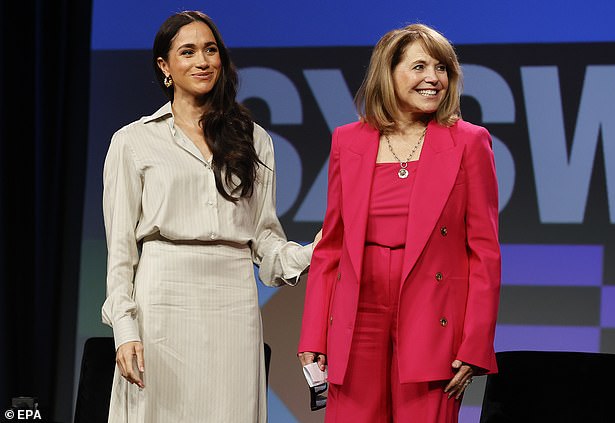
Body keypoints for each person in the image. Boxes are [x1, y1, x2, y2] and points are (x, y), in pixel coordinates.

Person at [101, 10, 319, 423]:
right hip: (161, 300)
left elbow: (267, 246)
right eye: (187, 52)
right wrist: (125, 331)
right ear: (165, 67)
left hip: (233, 302)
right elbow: (119, 252)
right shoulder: (133, 141)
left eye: (210, 50)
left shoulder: (253, 139)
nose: (202, 61)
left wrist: (316, 251)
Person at [298, 23, 501, 422]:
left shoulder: (469, 141)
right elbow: (331, 247)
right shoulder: (348, 141)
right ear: (388, 74)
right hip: (358, 315)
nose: (433, 79)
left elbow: (485, 252)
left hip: (433, 316)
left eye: (441, 68)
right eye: (420, 66)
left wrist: (475, 343)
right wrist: (314, 333)